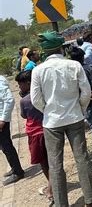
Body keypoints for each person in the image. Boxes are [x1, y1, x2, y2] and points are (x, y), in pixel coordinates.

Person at [30, 31, 92, 206]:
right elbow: (86, 92)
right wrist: (79, 108)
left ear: (44, 51)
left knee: (55, 164)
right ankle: (91, 196)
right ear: (61, 49)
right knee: (82, 158)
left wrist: (48, 110)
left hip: (51, 122)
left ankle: (60, 203)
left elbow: (36, 100)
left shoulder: (38, 71)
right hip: (74, 118)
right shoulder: (74, 65)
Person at [15, 70, 53, 203]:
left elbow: (24, 116)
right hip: (48, 130)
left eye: (20, 85)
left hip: (35, 134)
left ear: (28, 83)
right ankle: (53, 185)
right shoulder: (44, 94)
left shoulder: (24, 100)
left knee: (43, 163)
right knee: (52, 160)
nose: (19, 87)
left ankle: (51, 187)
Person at [0, 75, 24, 186]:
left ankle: (18, 172)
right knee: (4, 147)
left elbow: (9, 100)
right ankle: (15, 168)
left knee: (6, 146)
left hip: (1, 121)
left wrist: (3, 120)